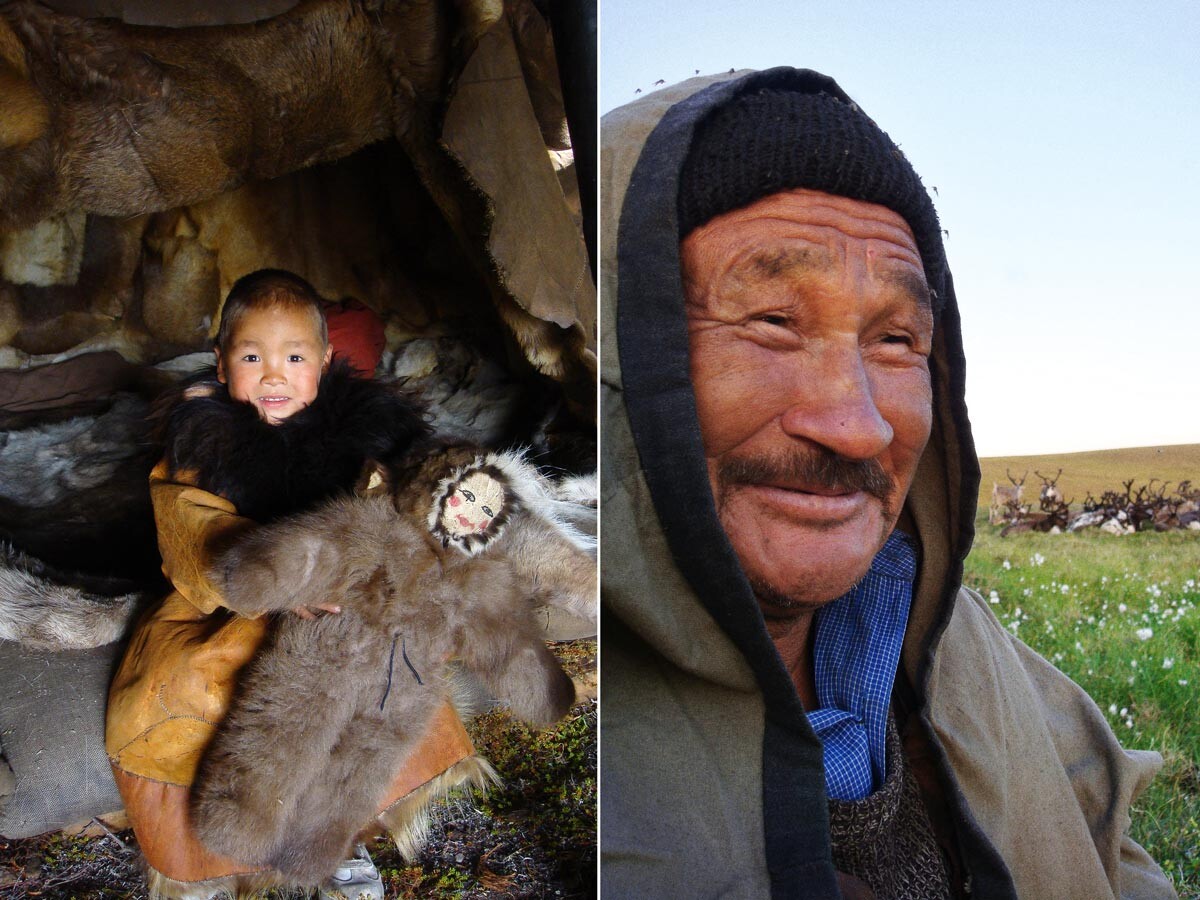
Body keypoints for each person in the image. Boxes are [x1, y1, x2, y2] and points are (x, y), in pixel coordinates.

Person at [599, 68, 1176, 899]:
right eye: (771, 321)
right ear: (630, 351)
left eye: (896, 340)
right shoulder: (594, 748)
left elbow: (1111, 852)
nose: (859, 424)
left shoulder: (953, 637)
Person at [105, 269, 488, 900]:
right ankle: (223, 857)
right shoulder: (201, 440)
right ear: (223, 366)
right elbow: (188, 530)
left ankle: (338, 841)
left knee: (382, 684)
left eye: (293, 357)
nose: (274, 375)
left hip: (345, 603)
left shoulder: (369, 432)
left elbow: (406, 503)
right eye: (252, 357)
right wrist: (282, 585)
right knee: (200, 692)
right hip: (238, 601)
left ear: (327, 361)